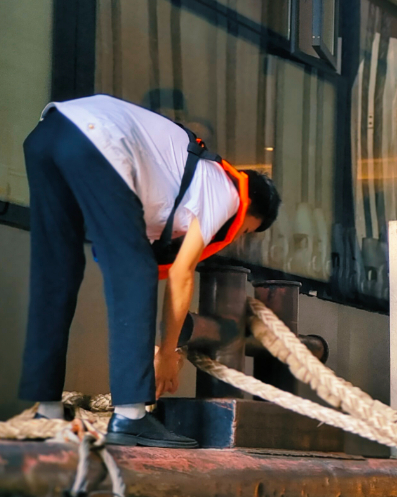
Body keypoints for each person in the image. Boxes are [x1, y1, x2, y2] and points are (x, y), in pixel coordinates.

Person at [18, 94, 281, 447]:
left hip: (48, 135)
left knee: (57, 271)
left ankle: (47, 412)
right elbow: (181, 273)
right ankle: (131, 417)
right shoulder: (227, 192)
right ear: (251, 211)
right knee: (135, 272)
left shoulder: (182, 178)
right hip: (98, 140)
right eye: (246, 231)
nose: (235, 237)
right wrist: (168, 353)